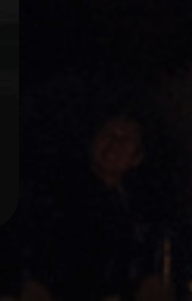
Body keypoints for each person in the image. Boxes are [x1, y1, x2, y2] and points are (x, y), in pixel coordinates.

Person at [25, 112, 168, 301]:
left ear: (137, 157)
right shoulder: (60, 194)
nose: (113, 144)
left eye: (125, 139)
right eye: (108, 134)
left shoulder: (140, 205)